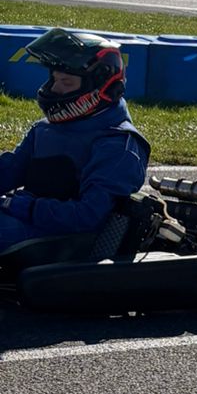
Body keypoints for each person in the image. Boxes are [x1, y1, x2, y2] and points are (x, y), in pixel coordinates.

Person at [0, 28, 149, 258]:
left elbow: (87, 216)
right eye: (54, 79)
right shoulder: (46, 129)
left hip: (67, 243)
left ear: (99, 86)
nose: (55, 89)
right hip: (29, 222)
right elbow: (11, 170)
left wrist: (23, 207)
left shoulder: (119, 144)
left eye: (66, 83)